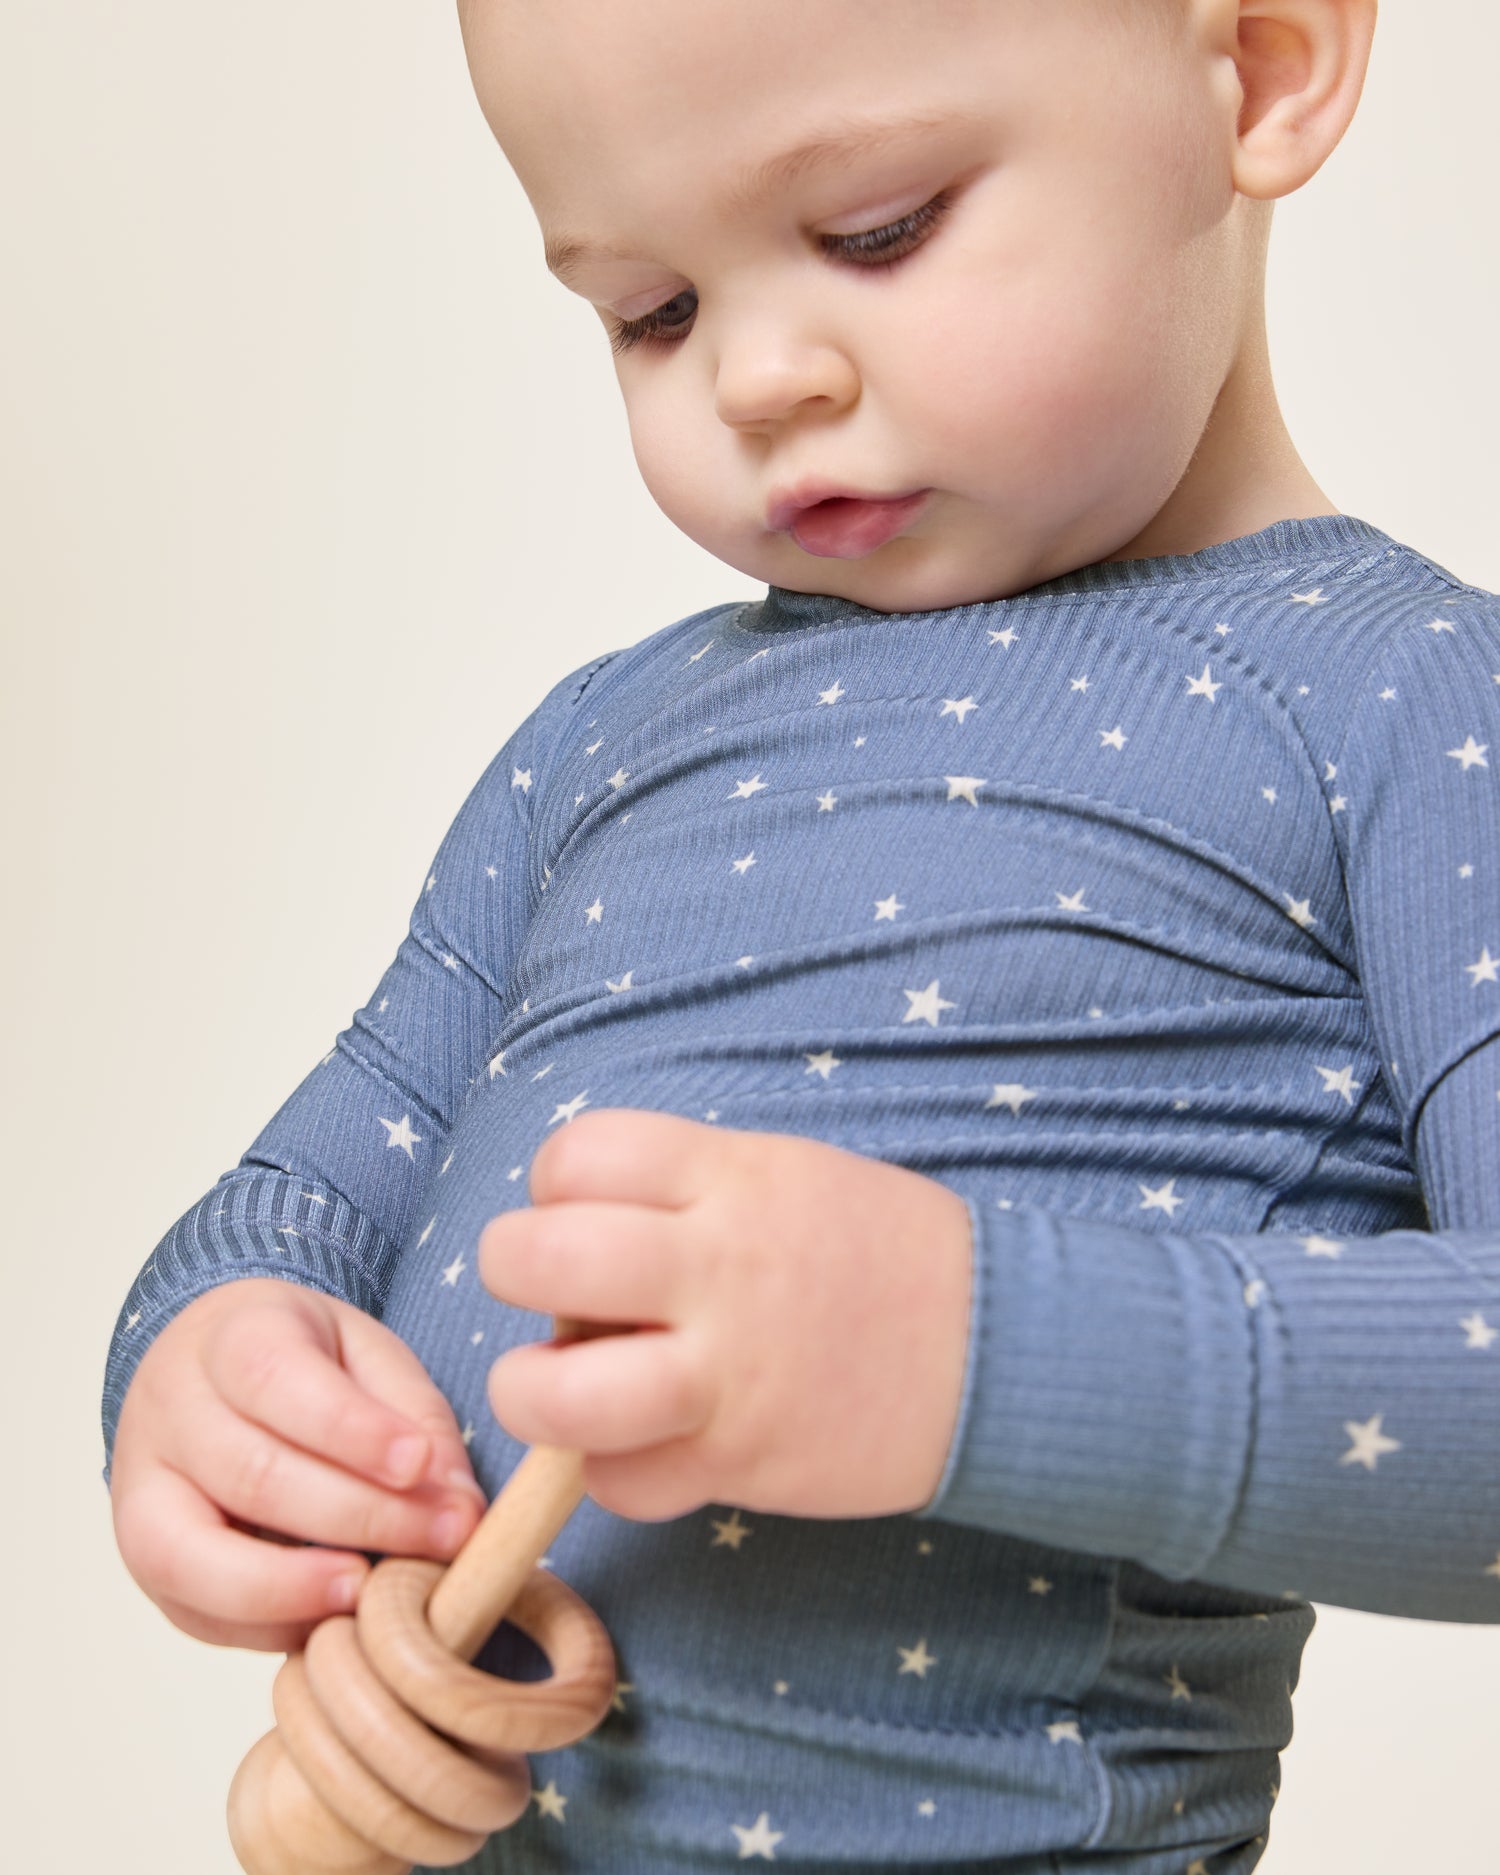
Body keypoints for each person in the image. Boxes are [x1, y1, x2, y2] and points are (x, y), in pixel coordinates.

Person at [102, 1, 1500, 1869]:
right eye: (648, 309)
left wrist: (970, 1352)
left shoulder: (1409, 704)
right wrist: (210, 1360)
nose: (753, 376)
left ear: (1255, 62)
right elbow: (327, 1171)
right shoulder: (597, 736)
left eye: (877, 227)